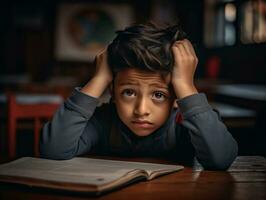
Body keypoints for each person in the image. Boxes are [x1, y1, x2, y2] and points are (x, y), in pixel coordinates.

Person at [40, 23, 238, 170]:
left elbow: (220, 159)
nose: (141, 110)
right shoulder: (103, 122)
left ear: (176, 97)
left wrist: (186, 86)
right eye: (129, 92)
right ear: (113, 93)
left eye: (159, 95)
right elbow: (53, 150)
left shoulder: (184, 125)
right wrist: (99, 78)